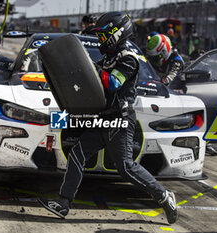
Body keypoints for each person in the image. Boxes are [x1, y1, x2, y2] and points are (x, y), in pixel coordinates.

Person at [38, 11, 178, 225]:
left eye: (104, 35)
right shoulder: (112, 56)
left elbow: (112, 83)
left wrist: (90, 69)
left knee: (126, 167)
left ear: (117, 33)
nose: (101, 39)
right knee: (77, 154)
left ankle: (164, 196)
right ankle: (64, 204)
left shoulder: (129, 58)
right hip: (104, 117)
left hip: (121, 121)